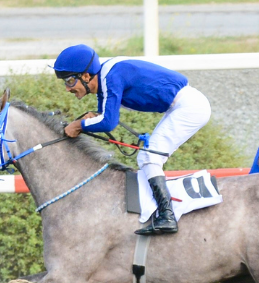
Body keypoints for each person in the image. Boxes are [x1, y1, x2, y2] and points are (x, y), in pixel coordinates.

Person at [51, 44, 212, 235]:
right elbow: (104, 116)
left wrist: (78, 125)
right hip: (182, 106)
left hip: (190, 107)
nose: (67, 88)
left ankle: (167, 216)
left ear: (86, 76)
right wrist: (89, 119)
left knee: (149, 157)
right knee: (146, 157)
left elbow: (108, 123)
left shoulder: (110, 77)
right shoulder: (105, 79)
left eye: (70, 81)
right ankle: (161, 212)